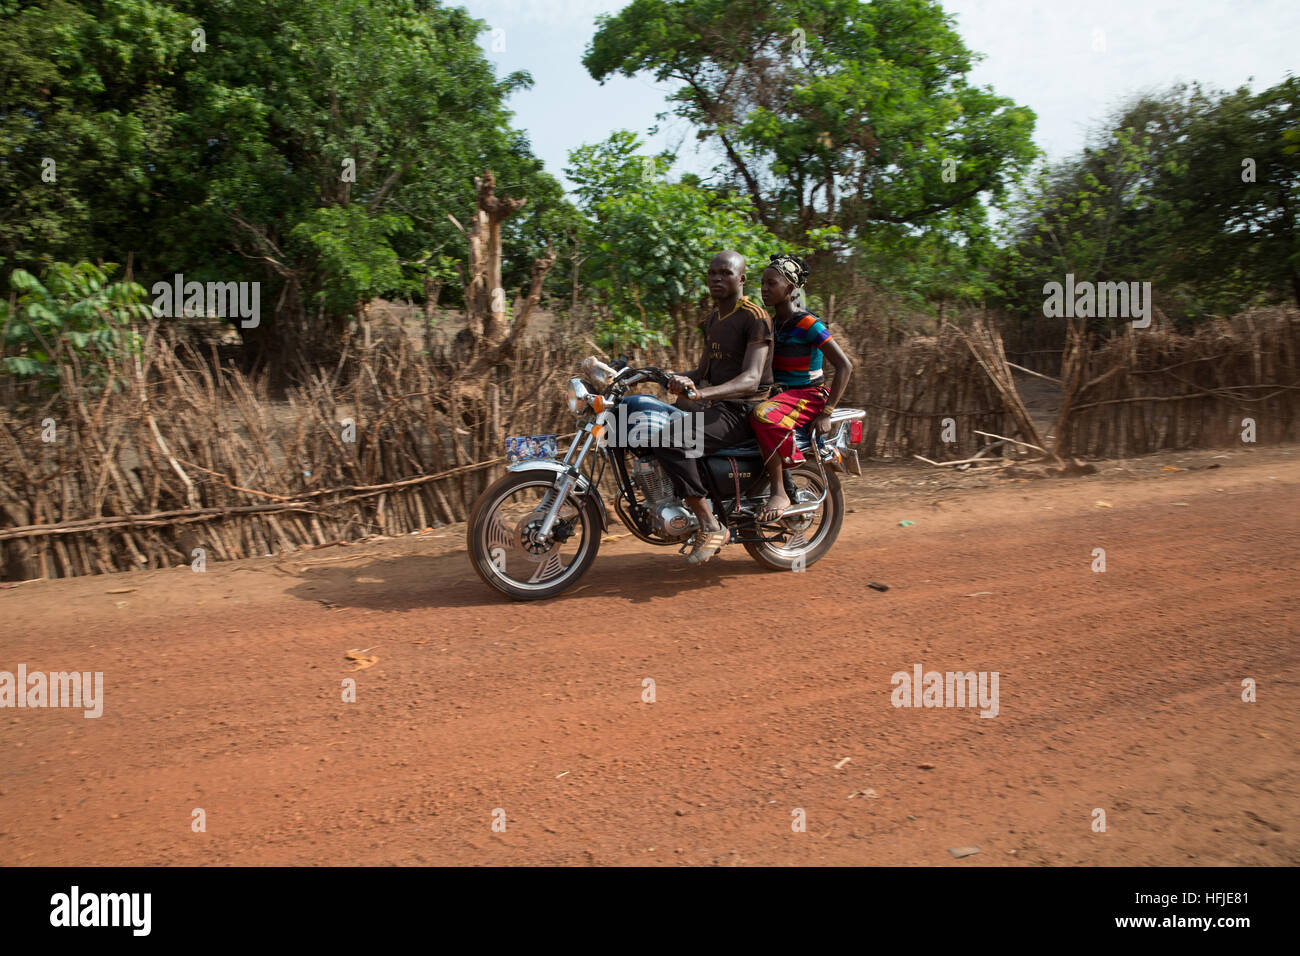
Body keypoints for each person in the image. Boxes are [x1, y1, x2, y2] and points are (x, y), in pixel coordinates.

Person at [658, 250, 774, 565]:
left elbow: (751, 379)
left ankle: (710, 526)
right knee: (652, 423)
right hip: (718, 405)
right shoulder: (713, 317)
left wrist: (705, 394)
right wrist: (671, 377)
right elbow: (703, 373)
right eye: (713, 274)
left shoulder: (754, 316)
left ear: (742, 279)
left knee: (673, 438)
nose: (717, 279)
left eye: (725, 273)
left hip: (743, 409)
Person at [751, 254, 854, 521]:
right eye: (762, 283)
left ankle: (780, 488)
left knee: (763, 414)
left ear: (790, 288)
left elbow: (845, 366)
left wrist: (828, 412)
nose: (764, 289)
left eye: (771, 283)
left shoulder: (809, 324)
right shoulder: (772, 324)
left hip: (809, 396)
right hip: (780, 395)